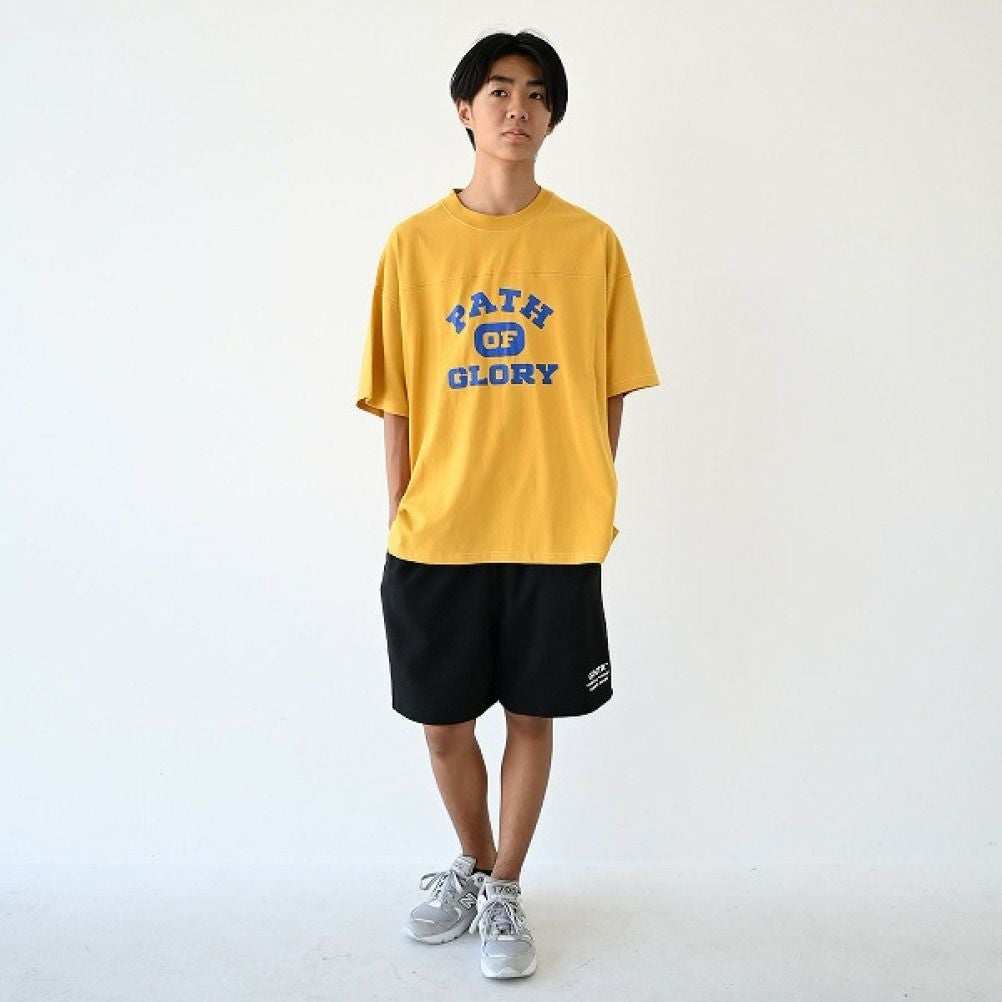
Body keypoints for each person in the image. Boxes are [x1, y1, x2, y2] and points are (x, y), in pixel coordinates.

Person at [355, 29, 660, 980]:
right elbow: (396, 400)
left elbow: (612, 385)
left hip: (551, 530)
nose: (517, 108)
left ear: (552, 116)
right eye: (497, 90)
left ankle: (507, 887)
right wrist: (400, 513)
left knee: (534, 715)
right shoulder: (413, 246)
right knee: (443, 724)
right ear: (465, 109)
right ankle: (478, 865)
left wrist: (590, 493)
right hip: (440, 528)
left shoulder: (590, 244)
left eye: (535, 93)